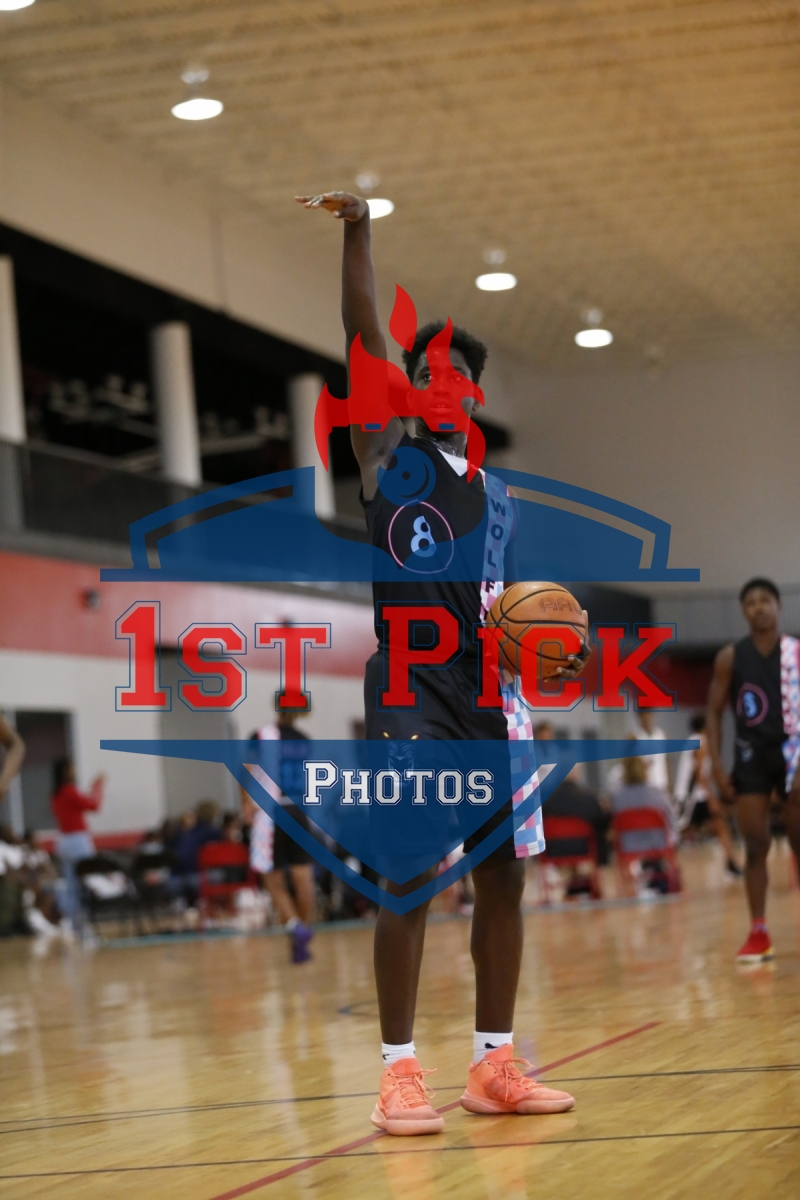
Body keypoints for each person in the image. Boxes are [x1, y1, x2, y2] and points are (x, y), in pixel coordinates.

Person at [298, 189, 586, 1134]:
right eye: (425, 373)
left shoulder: (500, 497)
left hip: (490, 695)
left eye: (454, 376)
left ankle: (494, 1067)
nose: (438, 385)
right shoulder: (386, 453)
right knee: (413, 876)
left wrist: (542, 651)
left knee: (504, 879)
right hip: (410, 690)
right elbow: (361, 335)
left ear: (475, 395)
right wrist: (360, 232)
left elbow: (502, 606)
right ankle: (397, 1075)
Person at [707, 578, 800, 963]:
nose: (758, 607)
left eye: (765, 600)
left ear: (778, 606)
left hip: (793, 755)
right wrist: (716, 766)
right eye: (751, 602)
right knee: (755, 843)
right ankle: (758, 932)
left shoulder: (795, 653)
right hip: (751, 758)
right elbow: (714, 712)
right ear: (743, 611)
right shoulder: (731, 657)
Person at [245, 714, 316, 963]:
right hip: (298, 810)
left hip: (271, 811)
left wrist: (246, 803)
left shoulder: (262, 735)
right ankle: (302, 938)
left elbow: (246, 769)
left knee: (272, 879)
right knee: (303, 877)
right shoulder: (304, 740)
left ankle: (296, 927)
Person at [674, 714, 741, 877]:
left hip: (690, 795)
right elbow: (699, 775)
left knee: (719, 824)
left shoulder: (692, 741)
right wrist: (712, 798)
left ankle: (731, 863)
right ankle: (666, 867)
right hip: (692, 796)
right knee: (679, 832)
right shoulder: (701, 742)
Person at [609, 757, 679, 895]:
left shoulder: (617, 797)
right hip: (657, 842)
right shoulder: (657, 793)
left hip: (628, 845)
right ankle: (658, 874)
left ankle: (642, 878)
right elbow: (671, 819)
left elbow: (614, 821)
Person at [50, 758, 104, 931]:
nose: (75, 772)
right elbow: (94, 805)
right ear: (65, 771)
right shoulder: (70, 791)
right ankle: (84, 927)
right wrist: (97, 786)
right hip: (77, 842)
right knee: (87, 883)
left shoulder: (56, 794)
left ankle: (76, 927)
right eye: (72, 769)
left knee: (72, 887)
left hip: (64, 842)